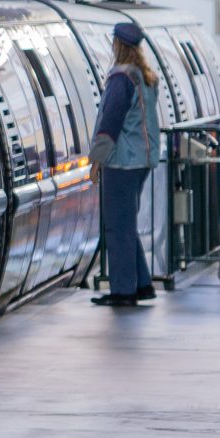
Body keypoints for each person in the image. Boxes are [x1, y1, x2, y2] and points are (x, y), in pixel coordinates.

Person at [90, 21, 161, 308]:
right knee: (126, 224)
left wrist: (96, 161)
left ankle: (122, 291)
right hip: (142, 160)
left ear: (117, 45)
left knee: (118, 227)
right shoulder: (145, 76)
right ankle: (141, 284)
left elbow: (110, 123)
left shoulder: (121, 79)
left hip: (121, 162)